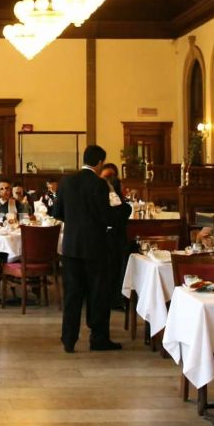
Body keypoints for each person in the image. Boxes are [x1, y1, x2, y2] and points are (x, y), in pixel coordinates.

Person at [52, 145, 130, 353]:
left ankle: (69, 339)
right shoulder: (99, 184)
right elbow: (107, 217)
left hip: (71, 247)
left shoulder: (67, 181)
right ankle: (98, 339)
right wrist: (126, 209)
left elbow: (56, 212)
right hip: (95, 247)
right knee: (98, 295)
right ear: (100, 162)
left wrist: (75, 221)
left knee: (72, 296)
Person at [98, 162, 132, 311]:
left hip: (111, 241)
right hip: (111, 241)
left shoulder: (122, 207)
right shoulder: (123, 208)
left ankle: (112, 298)